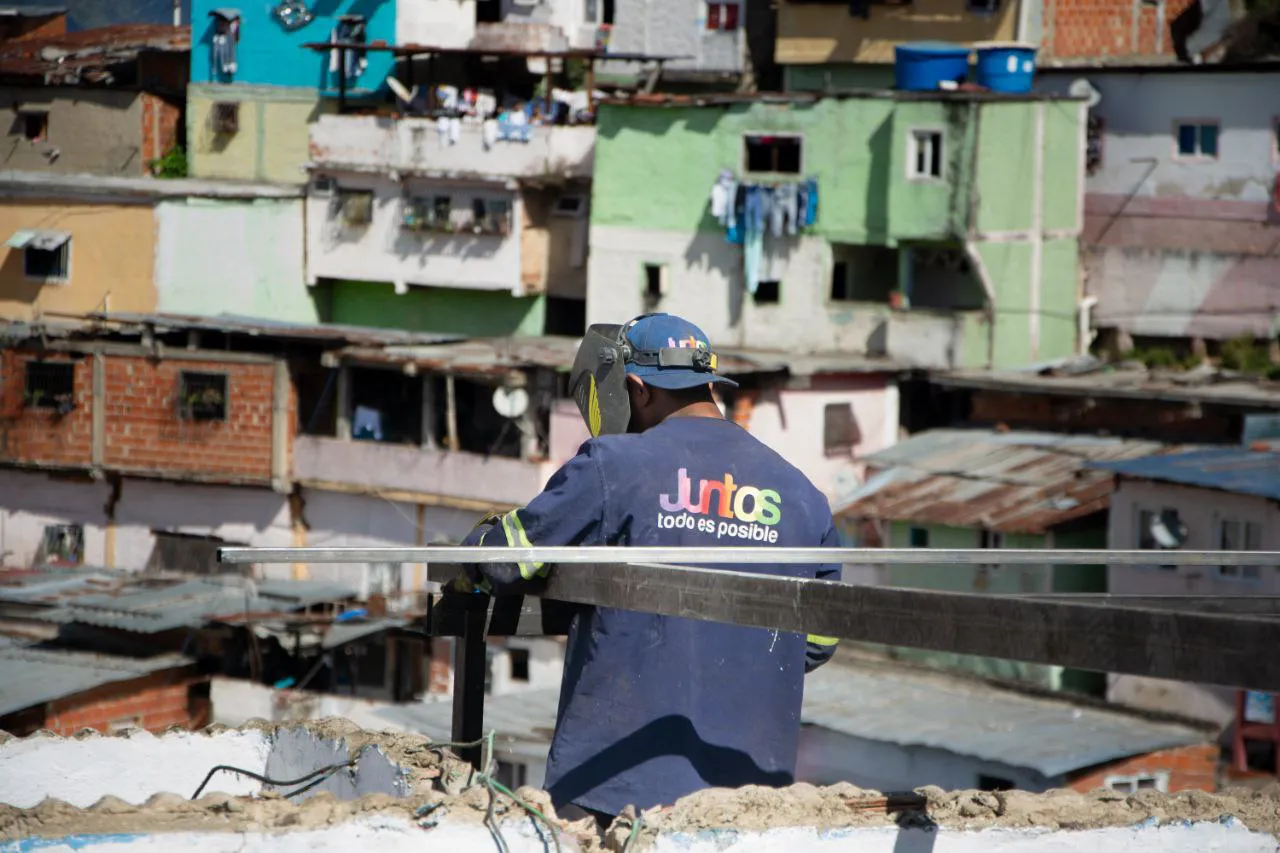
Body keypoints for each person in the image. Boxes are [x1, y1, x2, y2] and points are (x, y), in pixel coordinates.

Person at [456, 313, 841, 828]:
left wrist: (476, 547)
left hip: (611, 790)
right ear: (709, 383)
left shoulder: (613, 464)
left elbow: (506, 560)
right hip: (749, 803)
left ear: (635, 389)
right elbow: (817, 641)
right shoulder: (802, 496)